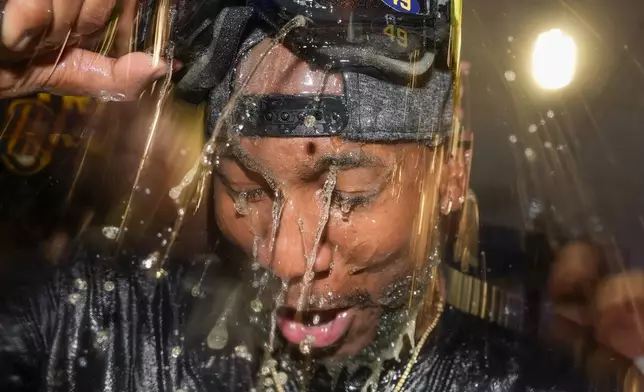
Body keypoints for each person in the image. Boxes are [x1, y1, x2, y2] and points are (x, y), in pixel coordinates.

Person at [0, 1, 640, 392]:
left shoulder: (552, 384)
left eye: (349, 194)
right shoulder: (94, 329)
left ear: (451, 171)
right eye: (243, 188)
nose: (284, 259)